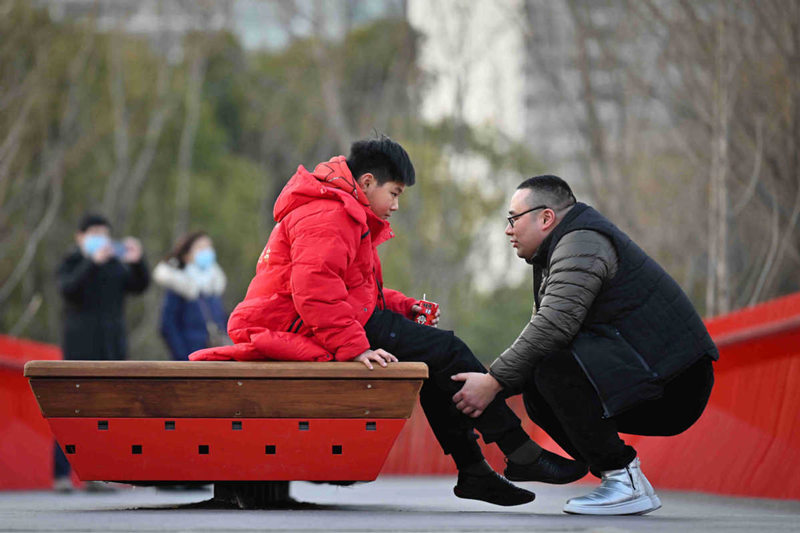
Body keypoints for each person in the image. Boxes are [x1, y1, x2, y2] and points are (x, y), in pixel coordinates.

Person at [190, 137, 588, 506]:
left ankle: (477, 469)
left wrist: (402, 307)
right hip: (299, 323)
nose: (396, 204)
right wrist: (355, 348)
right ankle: (514, 452)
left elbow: (352, 288)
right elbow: (313, 291)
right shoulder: (328, 214)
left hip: (318, 319)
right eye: (393, 193)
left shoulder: (340, 210)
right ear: (366, 182)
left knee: (438, 359)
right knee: (447, 351)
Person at [451, 175, 718, 515]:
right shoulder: (558, 252)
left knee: (551, 368)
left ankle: (624, 480)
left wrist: (492, 383)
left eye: (513, 219)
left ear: (546, 218)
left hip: (677, 381)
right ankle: (543, 461)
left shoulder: (582, 243)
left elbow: (553, 326)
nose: (508, 230)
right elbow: (541, 333)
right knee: (538, 378)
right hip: (646, 373)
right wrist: (489, 388)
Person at [55, 213, 149, 491]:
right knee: (69, 412)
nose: (100, 237)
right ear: (80, 236)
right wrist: (90, 263)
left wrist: (138, 261)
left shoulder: (114, 265)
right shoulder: (72, 262)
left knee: (106, 414)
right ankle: (62, 475)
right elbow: (67, 289)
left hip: (112, 347)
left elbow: (139, 286)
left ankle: (100, 475)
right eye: (94, 231)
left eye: (104, 231)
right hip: (79, 348)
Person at [154, 231, 228, 360]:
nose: (207, 251)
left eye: (209, 247)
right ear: (186, 255)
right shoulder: (178, 284)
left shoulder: (214, 284)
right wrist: (183, 357)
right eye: (201, 247)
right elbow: (167, 326)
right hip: (190, 357)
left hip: (216, 357)